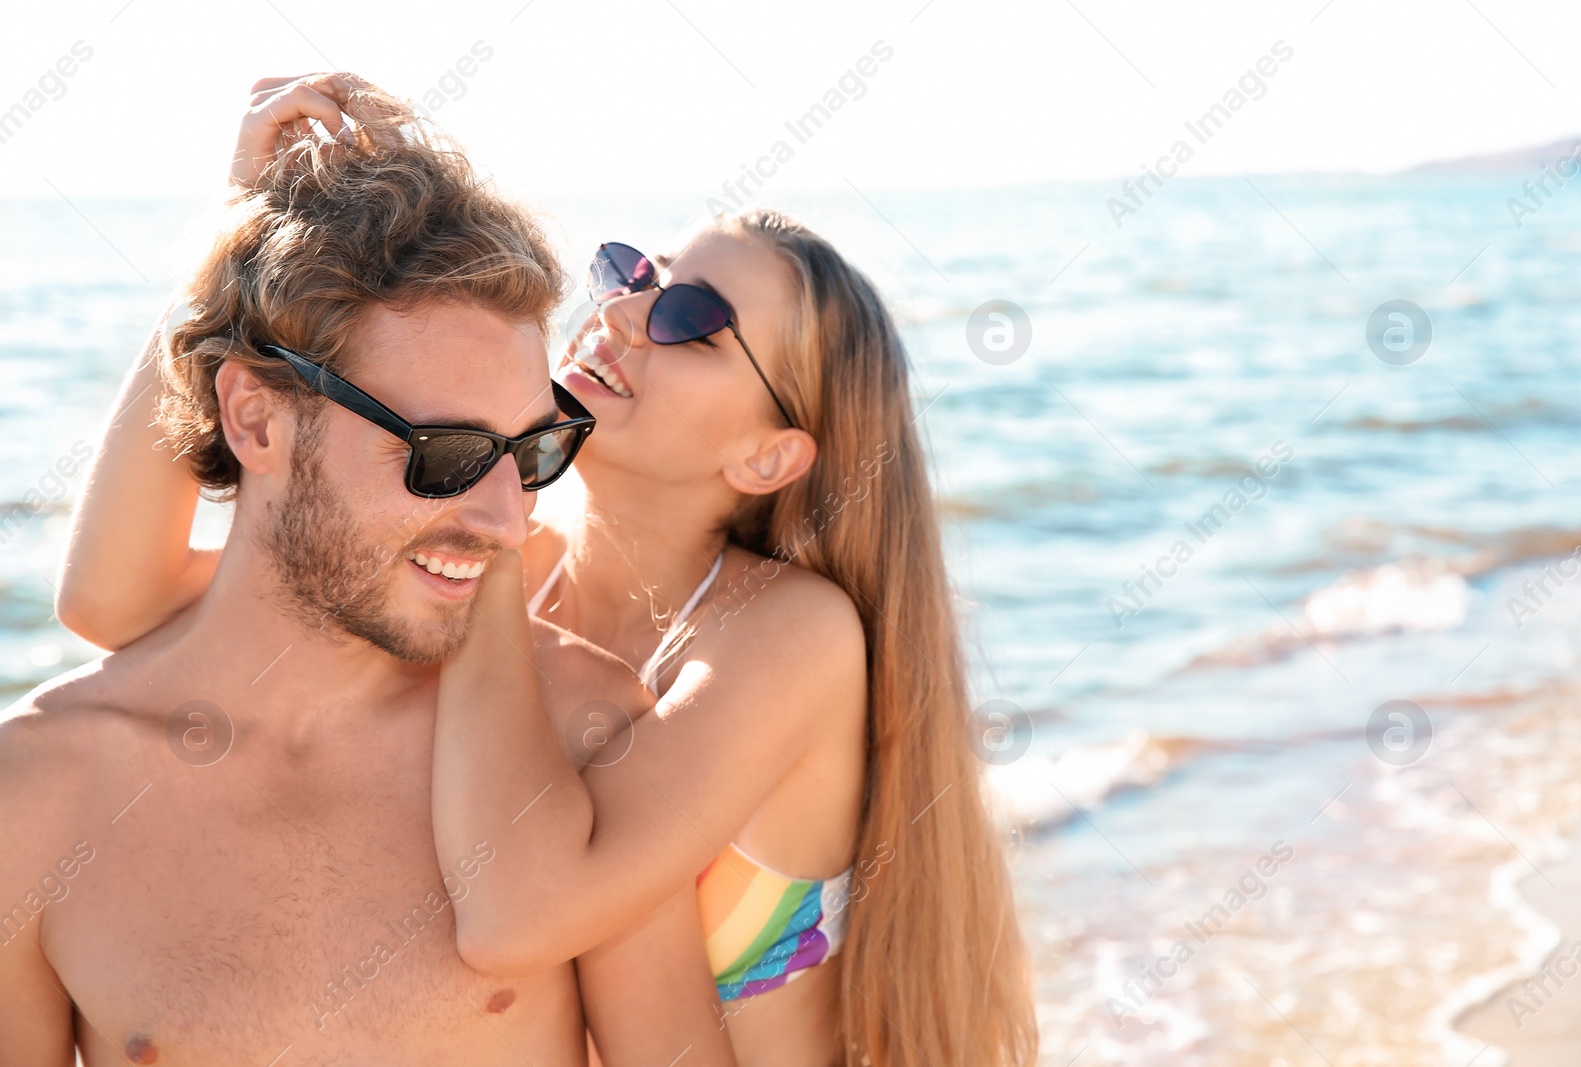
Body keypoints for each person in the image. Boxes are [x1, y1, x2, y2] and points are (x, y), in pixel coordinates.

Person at [57, 74, 1040, 1066]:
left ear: (767, 456)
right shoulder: (485, 560)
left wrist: (481, 531)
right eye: (631, 272)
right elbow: (116, 603)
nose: (621, 309)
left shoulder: (786, 631)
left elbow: (516, 915)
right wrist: (233, 246)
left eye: (689, 318)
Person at [4, 78, 734, 1066]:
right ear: (255, 419)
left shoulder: (581, 734)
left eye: (531, 452)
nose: (508, 518)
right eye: (443, 454)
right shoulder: (38, 796)